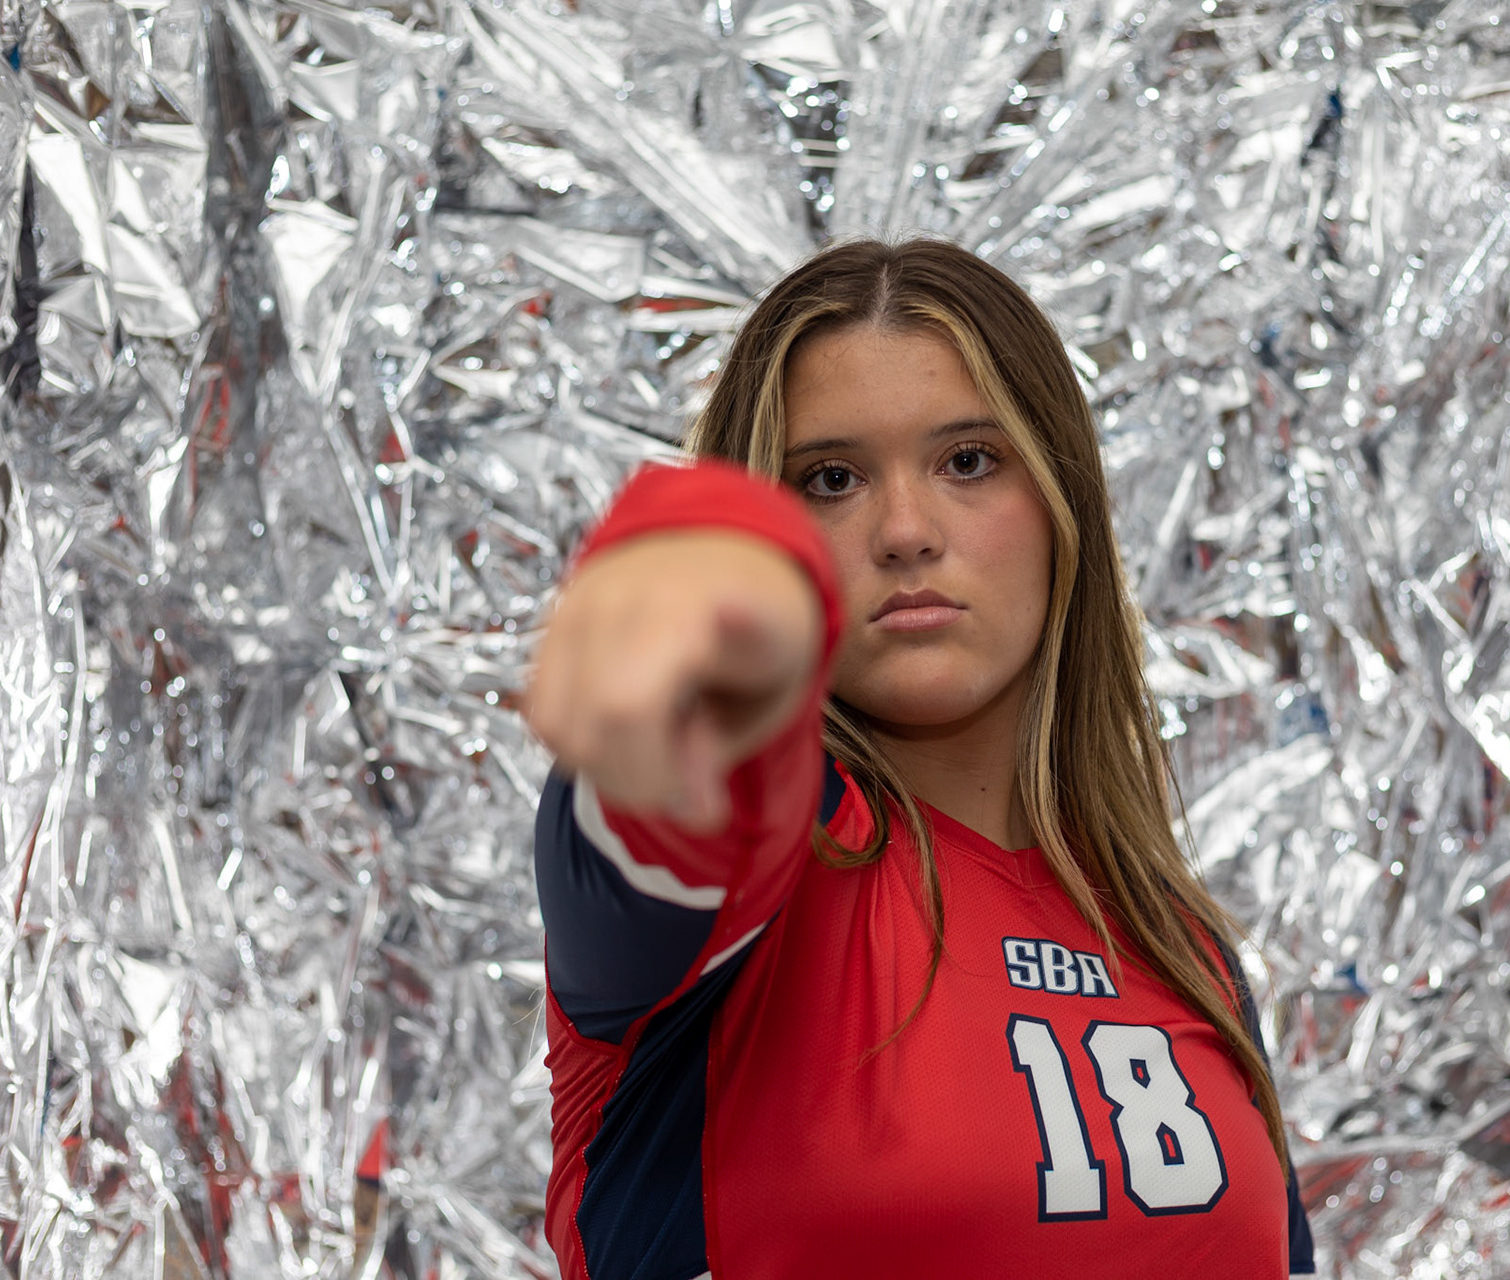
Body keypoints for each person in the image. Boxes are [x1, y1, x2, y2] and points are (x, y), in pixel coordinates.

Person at [522, 238, 1314, 1279]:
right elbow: (642, 793)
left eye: (968, 461)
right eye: (831, 479)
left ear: (1062, 501)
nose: (904, 530)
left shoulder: (1179, 942)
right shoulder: (745, 877)